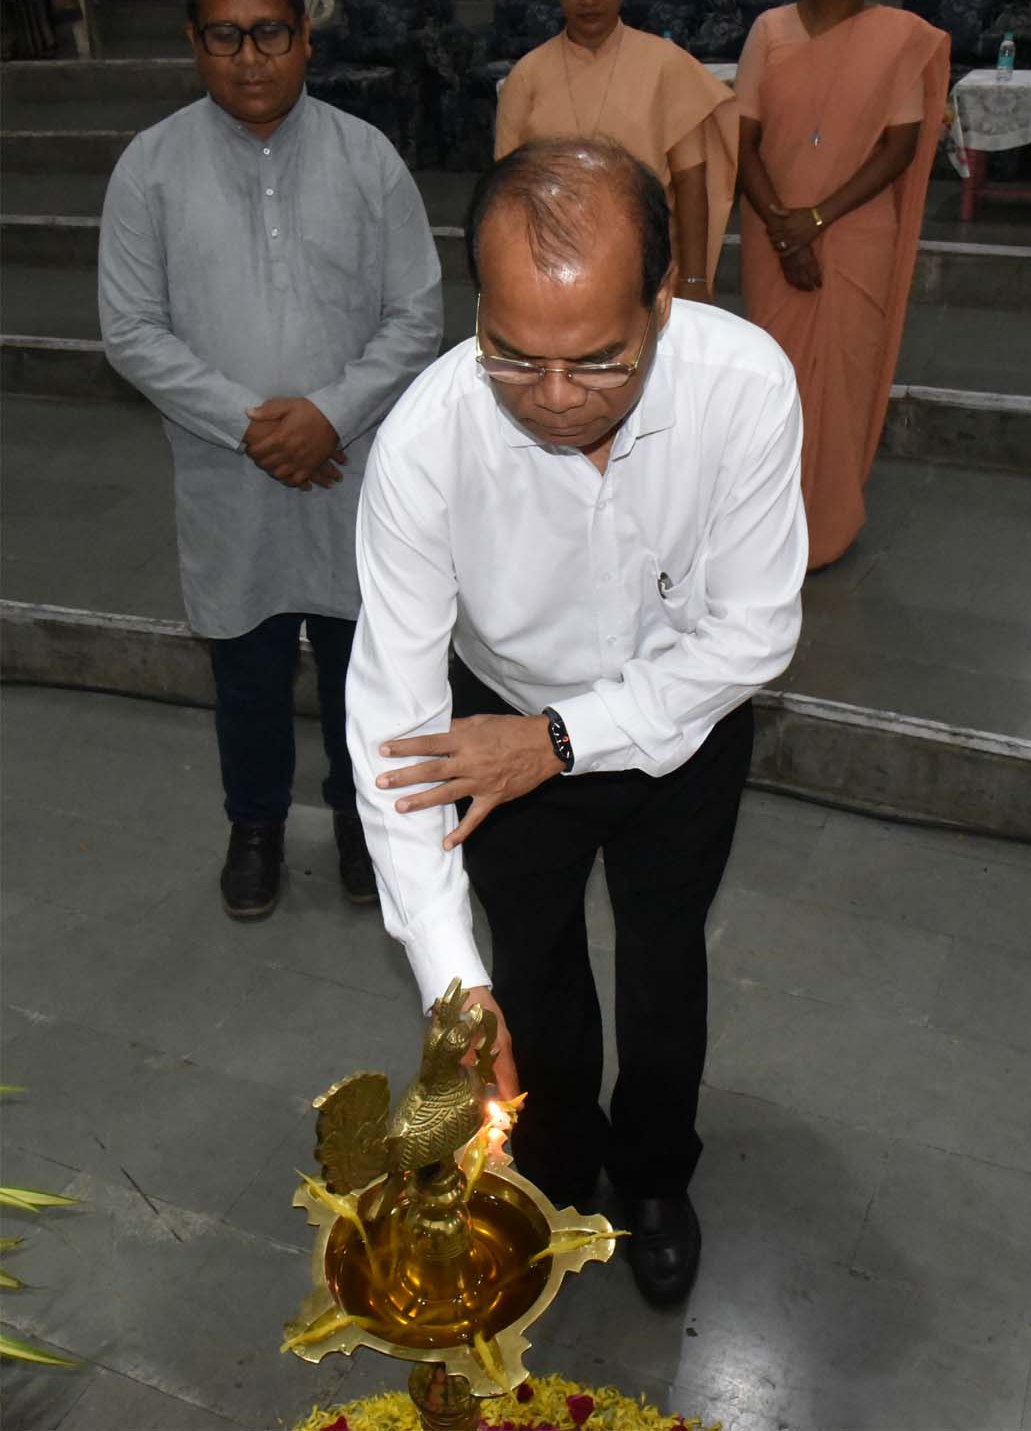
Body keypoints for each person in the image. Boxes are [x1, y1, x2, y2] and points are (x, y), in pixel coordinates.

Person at [345, 138, 806, 1306]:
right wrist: (451, 987)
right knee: (530, 962)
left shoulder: (743, 386)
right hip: (496, 718)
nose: (553, 398)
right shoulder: (426, 442)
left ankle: (653, 1176)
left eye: (599, 361)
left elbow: (754, 632)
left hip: (680, 719)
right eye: (513, 355)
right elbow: (393, 724)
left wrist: (557, 740)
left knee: (663, 955)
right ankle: (553, 1169)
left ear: (664, 298)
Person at [98, 0, 443, 920]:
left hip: (352, 469)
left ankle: (359, 818)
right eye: (225, 36)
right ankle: (254, 825)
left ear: (305, 36)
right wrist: (256, 426)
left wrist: (329, 414)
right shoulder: (150, 168)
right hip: (228, 474)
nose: (249, 58)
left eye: (269, 33)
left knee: (359, 663)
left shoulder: (368, 159)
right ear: (193, 41)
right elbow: (130, 330)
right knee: (245, 669)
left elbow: (417, 315)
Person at [735, 0, 949, 569]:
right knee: (774, 380)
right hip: (772, 226)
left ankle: (826, 523)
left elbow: (899, 147)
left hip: (856, 230)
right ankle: (765, 526)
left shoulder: (898, 37)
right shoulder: (770, 30)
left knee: (846, 375)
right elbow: (742, 141)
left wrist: (816, 220)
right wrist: (785, 230)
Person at [494, 0, 739, 303]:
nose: (590, 0)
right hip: (553, 268)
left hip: (649, 268)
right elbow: (507, 191)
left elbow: (690, 180)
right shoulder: (527, 76)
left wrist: (694, 278)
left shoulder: (665, 64)